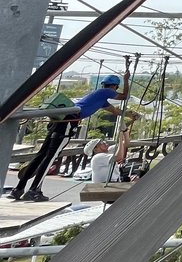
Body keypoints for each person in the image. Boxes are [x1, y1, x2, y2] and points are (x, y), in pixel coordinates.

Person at [3, 75, 134, 202]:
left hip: (62, 120)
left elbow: (116, 112)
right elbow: (125, 96)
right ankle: (34, 190)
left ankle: (18, 189)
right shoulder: (105, 92)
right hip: (68, 121)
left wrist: (130, 115)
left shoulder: (101, 98)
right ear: (114, 86)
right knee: (50, 157)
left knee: (41, 155)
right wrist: (126, 79)